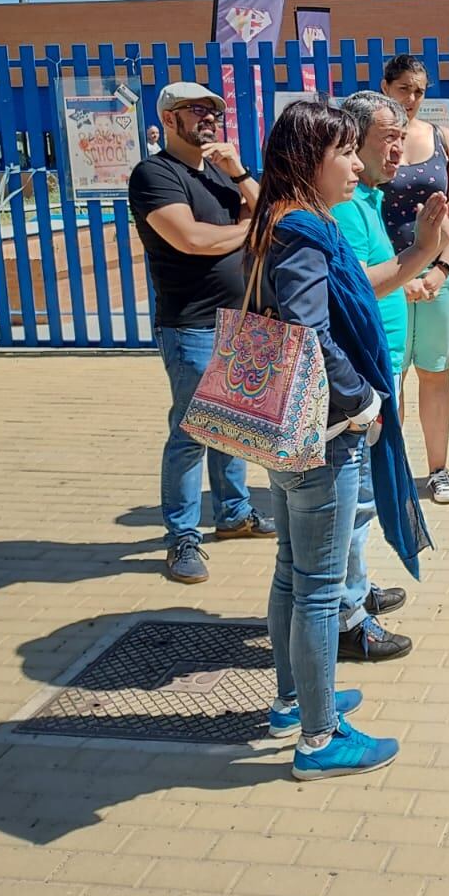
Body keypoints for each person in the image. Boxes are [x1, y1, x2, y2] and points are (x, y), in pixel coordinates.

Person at [244, 101, 434, 780]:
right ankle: (319, 741)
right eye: (345, 154)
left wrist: (420, 251)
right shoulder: (299, 230)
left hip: (290, 431)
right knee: (319, 589)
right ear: (308, 161)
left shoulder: (280, 219)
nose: (357, 164)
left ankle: (294, 705)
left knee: (294, 576)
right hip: (322, 434)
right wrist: (362, 402)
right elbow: (307, 331)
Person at [330, 91, 449, 662]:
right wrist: (420, 254)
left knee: (361, 495)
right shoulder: (341, 205)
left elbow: (377, 278)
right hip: (356, 377)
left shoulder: (365, 198)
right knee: (352, 500)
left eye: (401, 134)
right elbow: (355, 283)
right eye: (388, 135)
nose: (400, 145)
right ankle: (345, 616)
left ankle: (355, 590)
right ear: (353, 140)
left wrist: (420, 262)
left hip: (374, 367)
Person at [127, 82, 275, 585]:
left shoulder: (218, 173)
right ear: (169, 119)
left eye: (215, 110)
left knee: (230, 426)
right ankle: (182, 537)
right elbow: (191, 239)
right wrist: (250, 231)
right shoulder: (154, 174)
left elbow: (264, 208)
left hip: (238, 321)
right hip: (190, 323)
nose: (209, 119)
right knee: (191, 434)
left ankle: (233, 515)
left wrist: (238, 171)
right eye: (197, 111)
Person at [379, 55, 449, 505]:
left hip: (437, 279)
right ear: (386, 87)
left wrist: (440, 270)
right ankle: (392, 473)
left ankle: (438, 471)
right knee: (387, 374)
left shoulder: (443, 138)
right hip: (387, 276)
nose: (413, 99)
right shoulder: (370, 142)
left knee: (433, 371)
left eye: (419, 90)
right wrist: (401, 276)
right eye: (403, 89)